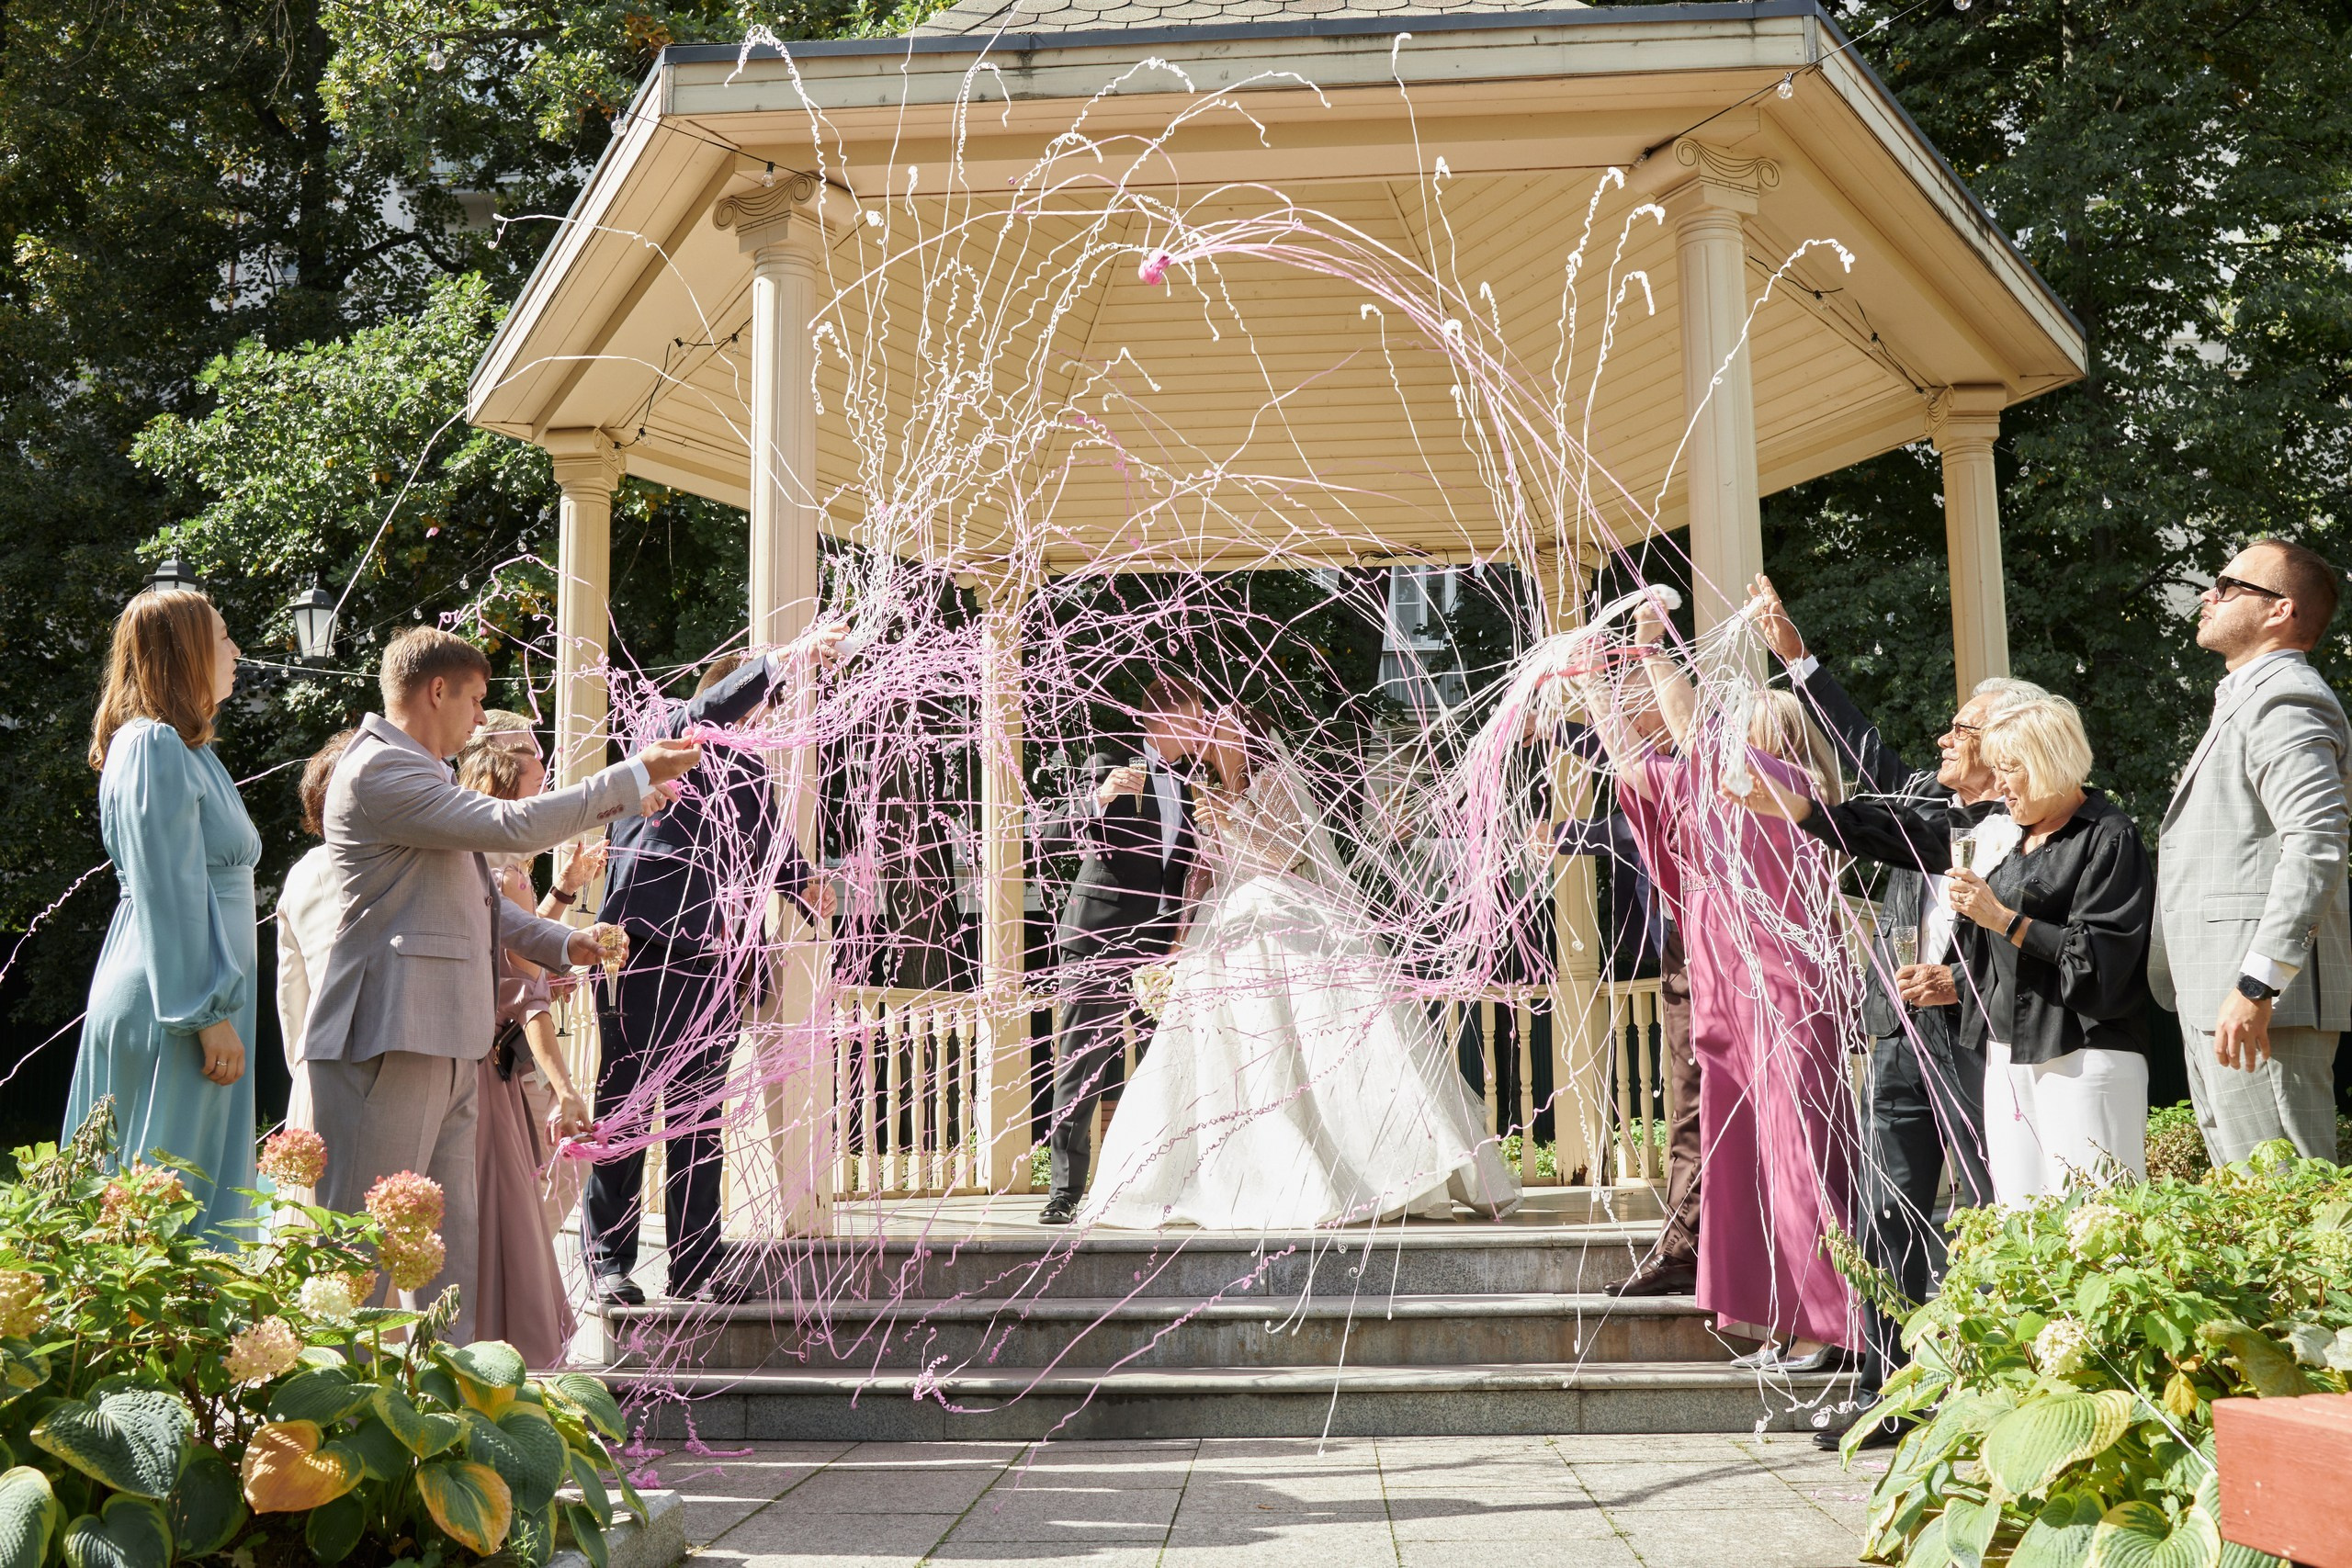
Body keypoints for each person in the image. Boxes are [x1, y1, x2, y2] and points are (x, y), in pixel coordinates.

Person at [300, 626, 696, 1340]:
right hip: (388, 1037)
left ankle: (455, 1406)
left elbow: (481, 902)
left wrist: (564, 942)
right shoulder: (381, 769)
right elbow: (515, 827)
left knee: (451, 1263)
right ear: (437, 690)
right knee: (361, 1259)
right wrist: (631, 775)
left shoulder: (425, 774)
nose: (483, 718)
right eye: (478, 699)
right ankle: (332, 1406)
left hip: (451, 1038)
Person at [1742, 575, 2033, 1447]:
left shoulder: (2035, 832)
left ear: (2007, 745)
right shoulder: (1921, 807)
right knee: (1886, 1209)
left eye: (1964, 728)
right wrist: (1796, 657)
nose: (1945, 736)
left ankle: (1980, 1385)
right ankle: (1885, 1388)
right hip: (1897, 1032)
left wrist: (1963, 982)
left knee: (1981, 1203)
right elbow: (1859, 744)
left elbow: (2052, 939)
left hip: (1976, 1034)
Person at [1077, 702, 1520, 1229]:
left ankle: (1377, 1167)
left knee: (1312, 1049)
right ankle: (1235, 1176)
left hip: (1282, 916)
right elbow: (1201, 870)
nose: (1208, 734)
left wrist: (1226, 821)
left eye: (1219, 726)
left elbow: (1287, 856)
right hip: (1223, 923)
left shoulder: (1272, 782)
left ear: (1246, 735)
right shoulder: (1204, 786)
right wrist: (1177, 942)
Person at [1578, 602, 1860, 1372]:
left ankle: (1828, 1324)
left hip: (1784, 998)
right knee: (1749, 1167)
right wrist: (1597, 679)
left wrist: (1647, 648)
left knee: (1800, 1161)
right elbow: (1629, 760)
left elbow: (1688, 730)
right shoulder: (1713, 797)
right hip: (1731, 1001)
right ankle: (1782, 1319)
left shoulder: (1787, 789)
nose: (1723, 734)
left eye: (1742, 725)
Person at [1747, 694, 2155, 1198]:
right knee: (2020, 1216)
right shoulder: (2006, 834)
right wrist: (1797, 808)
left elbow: (2099, 961)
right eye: (1997, 769)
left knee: (2095, 1212)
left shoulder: (2107, 837)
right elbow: (1894, 833)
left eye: (2008, 769)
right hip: (2007, 1052)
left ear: (2045, 764)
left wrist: (2002, 920)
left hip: (2083, 1052)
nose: (1999, 784)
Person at [585, 627, 841, 1305]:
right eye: (761, 706)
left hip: (717, 965)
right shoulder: (669, 730)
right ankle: (610, 1262)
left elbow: (776, 853)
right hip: (644, 951)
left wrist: (811, 890)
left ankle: (696, 1266)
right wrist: (787, 658)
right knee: (627, 1111)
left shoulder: (753, 776)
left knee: (698, 1120)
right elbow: (707, 712)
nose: (768, 723)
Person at [69, 588, 261, 1238]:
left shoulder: (185, 750)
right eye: (223, 637)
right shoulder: (151, 745)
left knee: (181, 1209)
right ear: (186, 651)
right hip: (178, 1002)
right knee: (164, 1215)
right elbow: (168, 887)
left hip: (190, 998)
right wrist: (206, 1012)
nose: (236, 651)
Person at [2151, 539, 2350, 1162]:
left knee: (2288, 1204)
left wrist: (2259, 982)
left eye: (2228, 585)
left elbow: (2316, 842)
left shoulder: (2286, 696)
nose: (2208, 596)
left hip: (2262, 1006)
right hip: (2222, 1000)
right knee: (2251, 1203)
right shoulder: (2248, 697)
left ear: (2279, 610)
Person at [1033, 675, 1212, 1227]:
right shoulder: (1110, 761)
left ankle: (1163, 1184)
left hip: (1162, 947)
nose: (1200, 731)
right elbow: (1048, 832)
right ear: (1164, 719)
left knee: (1170, 1066)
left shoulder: (1192, 782)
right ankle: (1064, 1190)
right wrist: (1099, 797)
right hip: (1100, 937)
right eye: (1193, 719)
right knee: (1082, 1063)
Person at [455, 726, 600, 1367]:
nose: (545, 778)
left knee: (499, 1206)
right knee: (528, 1198)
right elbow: (528, 988)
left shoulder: (480, 858)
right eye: (536, 770)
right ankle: (512, 1337)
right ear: (502, 775)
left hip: (481, 1055)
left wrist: (562, 892)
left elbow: (521, 948)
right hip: (500, 1059)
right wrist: (566, 1087)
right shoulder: (502, 869)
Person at [273, 729, 358, 1167]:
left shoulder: (301, 873)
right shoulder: (394, 864)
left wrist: (300, 1067)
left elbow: (291, 991)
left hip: (314, 1058)